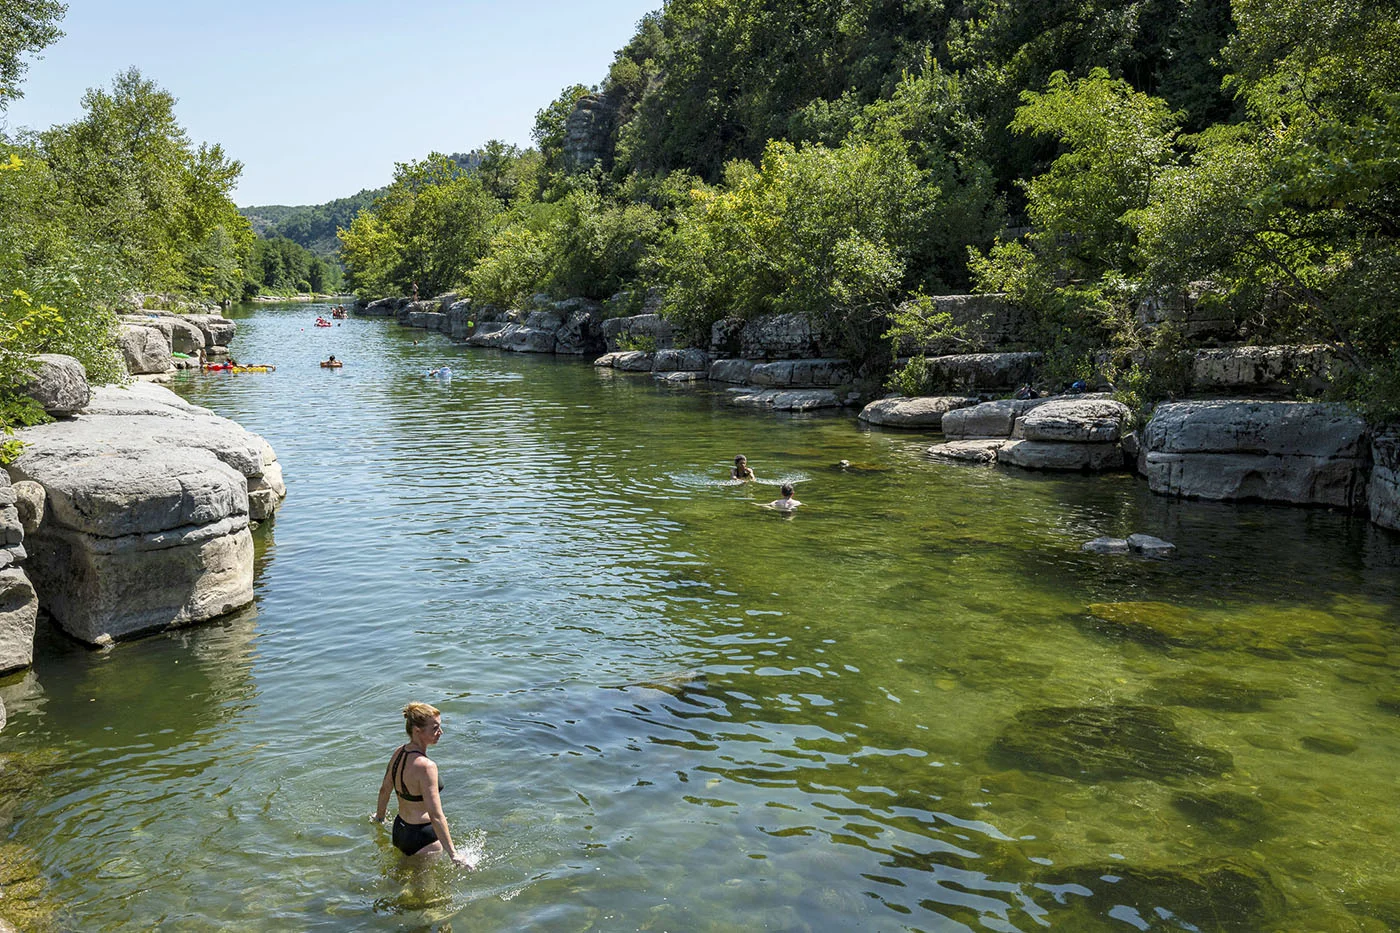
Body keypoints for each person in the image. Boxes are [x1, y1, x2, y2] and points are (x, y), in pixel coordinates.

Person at [373, 702, 474, 867]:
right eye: (435, 728)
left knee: (400, 882)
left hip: (400, 830)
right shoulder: (427, 766)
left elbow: (385, 790)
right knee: (429, 892)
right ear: (417, 730)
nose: (440, 732)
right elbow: (436, 814)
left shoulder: (398, 753)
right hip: (423, 837)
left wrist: (380, 817)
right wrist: (454, 855)